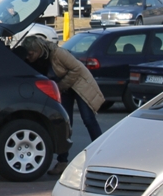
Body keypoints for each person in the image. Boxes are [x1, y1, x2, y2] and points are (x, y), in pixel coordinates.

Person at [17, 35, 104, 176]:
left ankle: (102, 154)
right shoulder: (39, 60)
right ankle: (62, 162)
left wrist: (61, 85)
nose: (29, 57)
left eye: (31, 54)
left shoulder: (58, 53)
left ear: (38, 49)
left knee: (88, 119)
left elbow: (77, 69)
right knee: (65, 124)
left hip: (80, 85)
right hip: (65, 88)